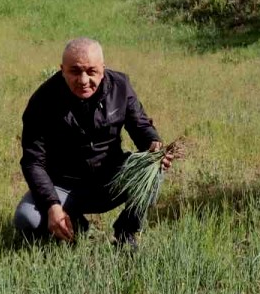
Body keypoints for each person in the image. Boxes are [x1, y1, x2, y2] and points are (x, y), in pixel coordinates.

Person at [13, 37, 173, 247]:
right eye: (75, 71)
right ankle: (77, 226)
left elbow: (141, 126)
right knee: (27, 219)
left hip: (111, 178)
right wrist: (52, 205)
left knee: (154, 170)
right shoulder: (43, 101)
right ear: (62, 69)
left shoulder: (120, 87)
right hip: (63, 185)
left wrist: (154, 145)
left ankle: (126, 233)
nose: (83, 79)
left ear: (103, 69)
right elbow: (33, 162)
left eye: (91, 71)